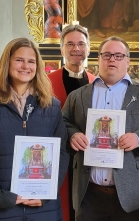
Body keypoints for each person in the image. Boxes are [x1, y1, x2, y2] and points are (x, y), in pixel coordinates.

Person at [62, 36, 139, 221]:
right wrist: (73, 134)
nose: (112, 59)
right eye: (107, 55)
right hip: (88, 194)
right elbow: (62, 122)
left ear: (128, 61)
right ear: (98, 59)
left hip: (130, 194)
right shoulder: (78, 96)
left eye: (118, 55)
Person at [0, 38, 69, 220]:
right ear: (7, 62)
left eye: (31, 61)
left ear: (37, 66)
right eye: (19, 60)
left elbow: (61, 153)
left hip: (43, 210)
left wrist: (47, 194)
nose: (26, 66)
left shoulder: (52, 107)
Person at [47, 24, 95, 221]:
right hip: (58, 159)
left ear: (88, 48)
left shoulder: (96, 82)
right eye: (70, 44)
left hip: (89, 160)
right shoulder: (45, 82)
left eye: (81, 44)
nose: (76, 49)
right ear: (62, 49)